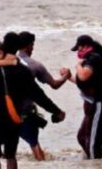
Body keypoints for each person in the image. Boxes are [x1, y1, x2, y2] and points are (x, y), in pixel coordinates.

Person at [0, 32, 65, 169]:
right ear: (18, 48)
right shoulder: (23, 70)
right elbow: (38, 95)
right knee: (11, 155)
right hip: (14, 118)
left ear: (3, 46)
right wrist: (56, 111)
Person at [15, 31, 69, 160]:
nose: (33, 48)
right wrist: (66, 76)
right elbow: (54, 85)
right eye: (32, 45)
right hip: (25, 112)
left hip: (4, 112)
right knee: (35, 146)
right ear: (29, 46)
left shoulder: (5, 63)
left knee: (6, 151)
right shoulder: (35, 65)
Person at [61, 35, 102, 159]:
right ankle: (94, 162)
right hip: (93, 103)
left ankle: (97, 164)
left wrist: (78, 66)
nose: (78, 53)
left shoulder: (94, 58)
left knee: (93, 142)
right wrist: (68, 76)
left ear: (85, 46)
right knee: (82, 136)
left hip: (100, 103)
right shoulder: (91, 58)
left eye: (79, 49)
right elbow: (83, 82)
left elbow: (83, 76)